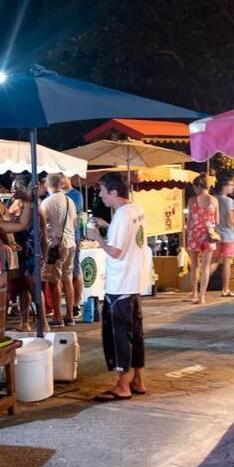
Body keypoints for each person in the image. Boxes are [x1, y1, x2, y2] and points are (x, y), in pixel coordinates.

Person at [86, 172, 149, 401]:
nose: (100, 196)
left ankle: (122, 385)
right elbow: (127, 238)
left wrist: (97, 237)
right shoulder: (136, 210)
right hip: (135, 281)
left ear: (114, 193)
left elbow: (115, 251)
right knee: (136, 333)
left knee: (118, 334)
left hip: (119, 284)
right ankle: (138, 379)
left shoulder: (122, 216)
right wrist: (108, 226)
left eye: (103, 191)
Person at [8, 174, 47, 332]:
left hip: (29, 252)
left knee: (33, 287)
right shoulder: (29, 205)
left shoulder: (29, 206)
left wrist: (44, 253)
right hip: (24, 251)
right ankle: (25, 323)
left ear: (23, 188)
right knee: (24, 288)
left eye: (15, 187)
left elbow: (43, 233)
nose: (12, 191)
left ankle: (43, 322)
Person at [40, 173, 78, 327]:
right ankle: (69, 315)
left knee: (53, 281)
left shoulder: (47, 203)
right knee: (67, 279)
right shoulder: (70, 201)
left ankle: (57, 318)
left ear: (46, 184)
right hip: (71, 243)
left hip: (56, 245)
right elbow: (74, 223)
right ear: (61, 184)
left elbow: (42, 226)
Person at [186, 173, 219, 304]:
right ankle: (202, 297)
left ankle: (194, 293)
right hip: (209, 235)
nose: (194, 190)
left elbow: (188, 221)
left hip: (194, 234)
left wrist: (192, 228)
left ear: (199, 186)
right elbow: (217, 221)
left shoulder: (192, 201)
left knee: (195, 266)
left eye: (194, 187)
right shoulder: (214, 200)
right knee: (205, 266)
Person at [212, 173, 234, 297]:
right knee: (226, 263)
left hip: (215, 235)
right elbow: (232, 221)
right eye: (232, 185)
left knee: (213, 262)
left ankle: (199, 282)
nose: (233, 187)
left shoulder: (213, 199)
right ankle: (225, 289)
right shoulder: (228, 201)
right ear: (225, 186)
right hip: (228, 236)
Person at [66, 175, 85, 319]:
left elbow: (73, 217)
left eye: (62, 176)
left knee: (75, 272)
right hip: (57, 239)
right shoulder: (52, 194)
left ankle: (76, 304)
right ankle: (67, 306)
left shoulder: (76, 195)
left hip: (73, 238)